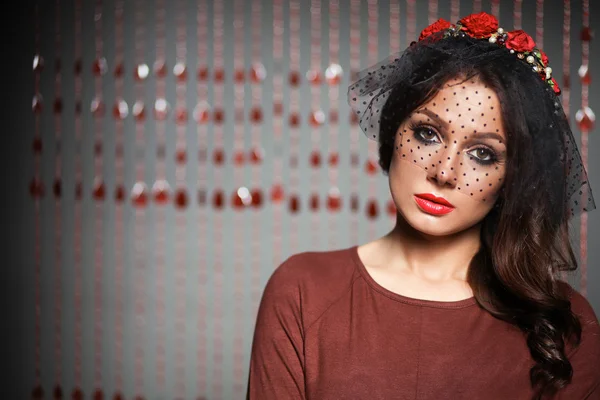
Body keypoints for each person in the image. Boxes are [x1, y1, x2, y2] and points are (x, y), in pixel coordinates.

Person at [246, 12, 600, 400]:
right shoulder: (302, 290)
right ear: (394, 131)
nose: (445, 172)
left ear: (510, 177)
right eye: (428, 134)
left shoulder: (565, 325)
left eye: (482, 154)